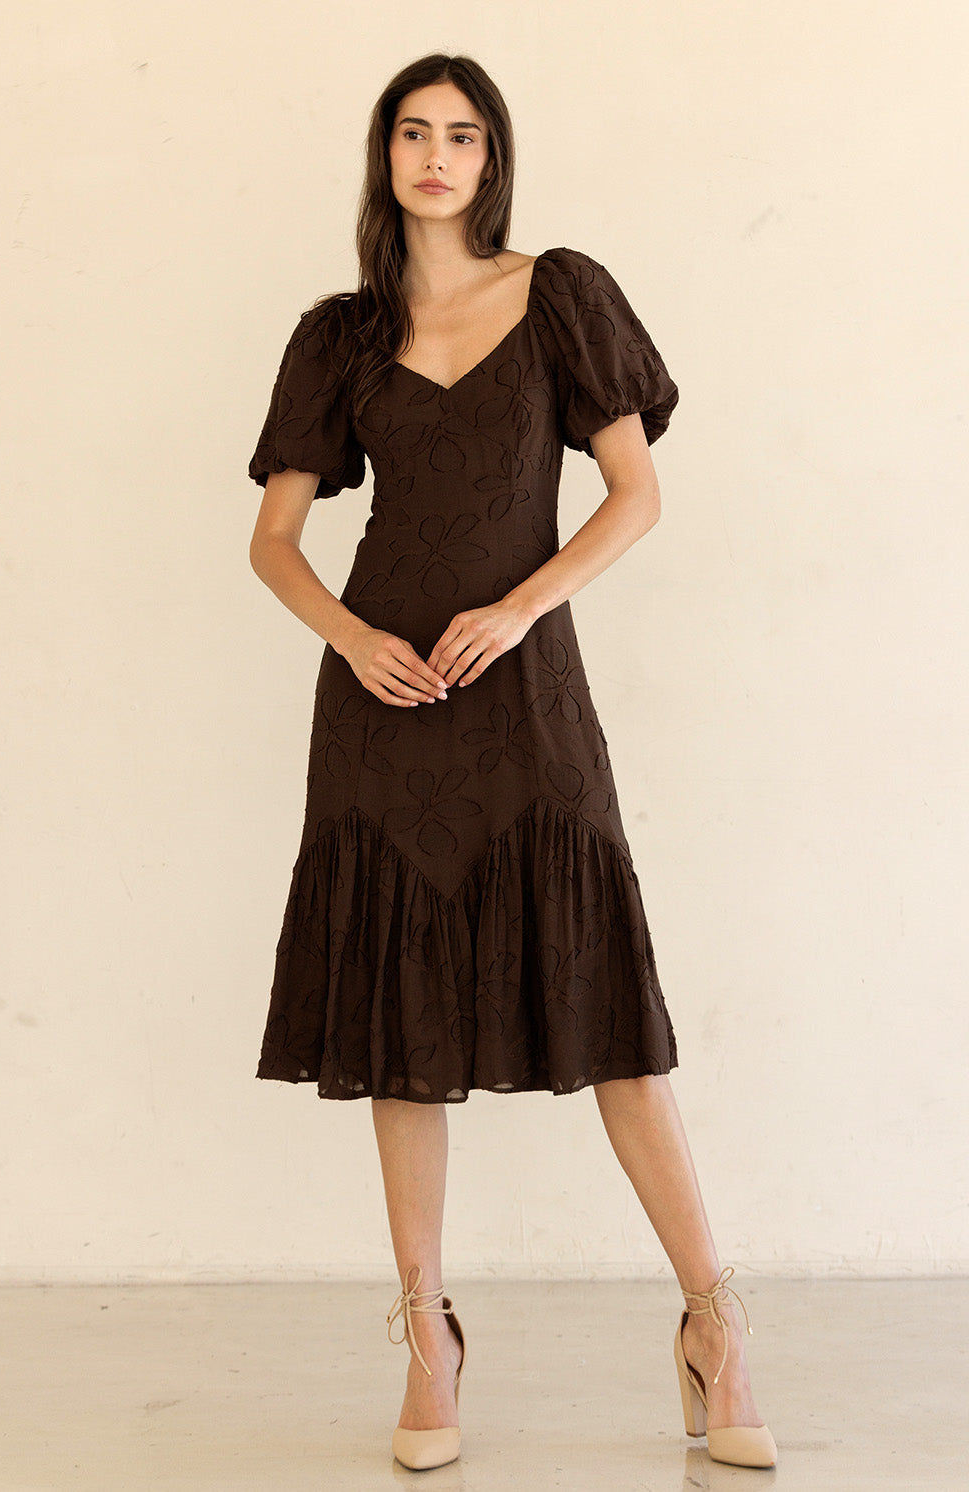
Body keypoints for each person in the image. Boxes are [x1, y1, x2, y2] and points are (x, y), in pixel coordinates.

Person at [246, 51, 776, 1474]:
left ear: (493, 160)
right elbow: (274, 541)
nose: (436, 155)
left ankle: (716, 1320)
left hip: (524, 692)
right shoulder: (340, 334)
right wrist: (355, 640)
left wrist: (524, 602)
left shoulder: (560, 296)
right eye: (414, 133)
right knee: (400, 1044)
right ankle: (428, 1336)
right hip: (382, 705)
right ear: (388, 157)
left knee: (611, 1015)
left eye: (462, 135)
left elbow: (636, 493)